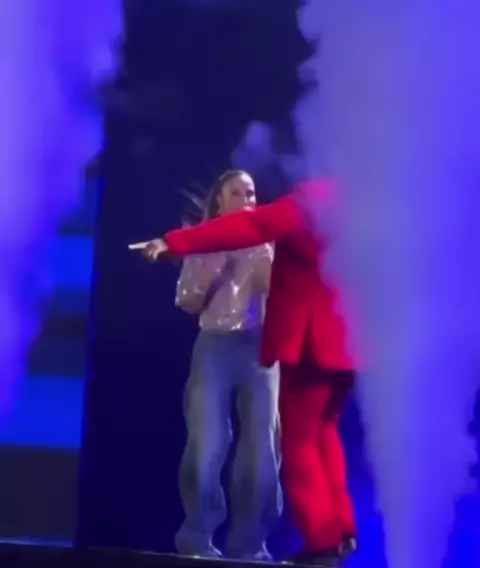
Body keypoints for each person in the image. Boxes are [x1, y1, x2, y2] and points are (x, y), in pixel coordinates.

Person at [139, 179, 357, 565]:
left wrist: (174, 242)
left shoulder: (314, 199)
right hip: (348, 339)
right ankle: (340, 532)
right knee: (323, 433)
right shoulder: (368, 202)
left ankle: (322, 541)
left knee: (299, 443)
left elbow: (255, 225)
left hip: (310, 342)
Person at [170, 170, 281, 560]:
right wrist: (215, 261)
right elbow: (187, 301)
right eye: (238, 193)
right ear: (219, 201)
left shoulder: (268, 239)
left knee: (262, 447)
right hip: (215, 344)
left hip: (261, 346)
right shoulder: (204, 240)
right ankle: (197, 537)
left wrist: (263, 257)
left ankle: (250, 543)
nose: (247, 199)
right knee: (207, 441)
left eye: (251, 193)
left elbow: (281, 293)